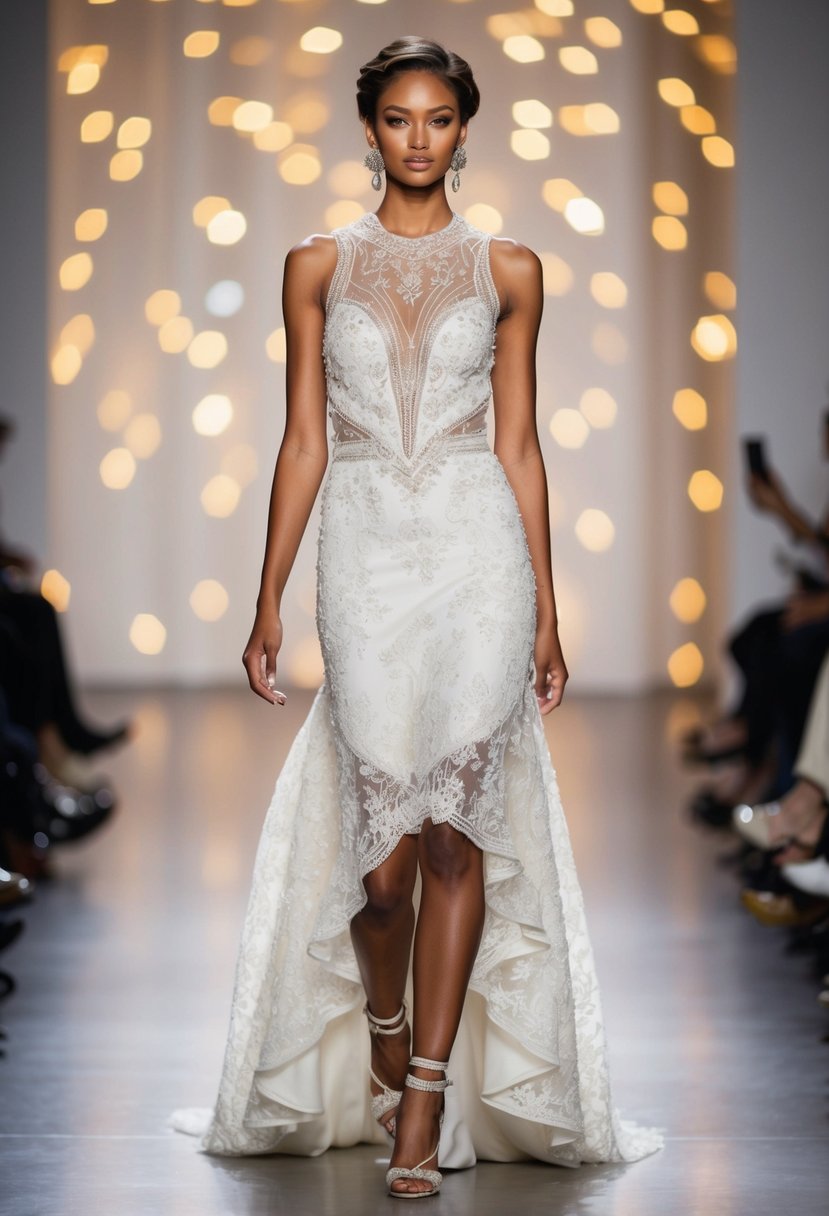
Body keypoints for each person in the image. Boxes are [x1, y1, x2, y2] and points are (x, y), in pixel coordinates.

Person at [170, 36, 662, 1197]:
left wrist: (542, 608)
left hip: (476, 554)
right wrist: (267, 597)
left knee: (454, 835)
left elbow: (520, 443)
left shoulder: (511, 269)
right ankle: (384, 1026)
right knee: (380, 872)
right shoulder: (313, 266)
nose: (419, 139)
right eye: (398, 119)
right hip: (367, 556)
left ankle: (422, 1094)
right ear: (370, 128)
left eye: (438, 119)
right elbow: (301, 440)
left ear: (464, 127)